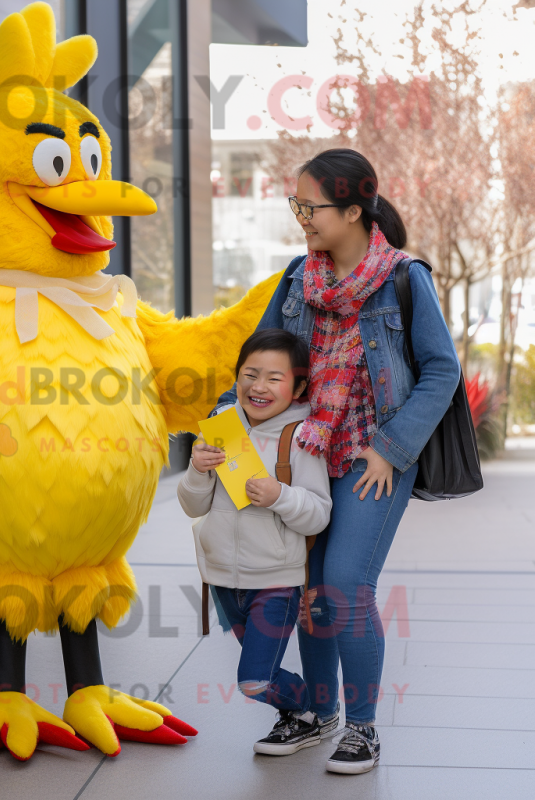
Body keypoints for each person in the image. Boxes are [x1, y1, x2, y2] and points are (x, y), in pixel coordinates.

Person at [215, 148, 461, 774]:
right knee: (307, 594)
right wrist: (222, 425)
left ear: (353, 210)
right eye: (296, 204)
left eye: (311, 205)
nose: (301, 216)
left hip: (374, 457)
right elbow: (263, 362)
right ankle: (315, 714)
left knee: (346, 588)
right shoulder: (298, 277)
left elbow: (441, 371)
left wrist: (392, 446)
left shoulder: (404, 277)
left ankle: (363, 728)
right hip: (306, 457)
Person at [177, 329, 333, 756]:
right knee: (259, 669)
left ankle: (313, 709)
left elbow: (320, 511)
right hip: (225, 581)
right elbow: (193, 506)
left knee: (254, 680)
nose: (259, 386)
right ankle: (299, 718)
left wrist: (280, 495)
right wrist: (198, 469)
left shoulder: (301, 438)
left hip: (275, 583)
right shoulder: (221, 430)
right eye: (250, 374)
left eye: (274, 377)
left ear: (299, 386)